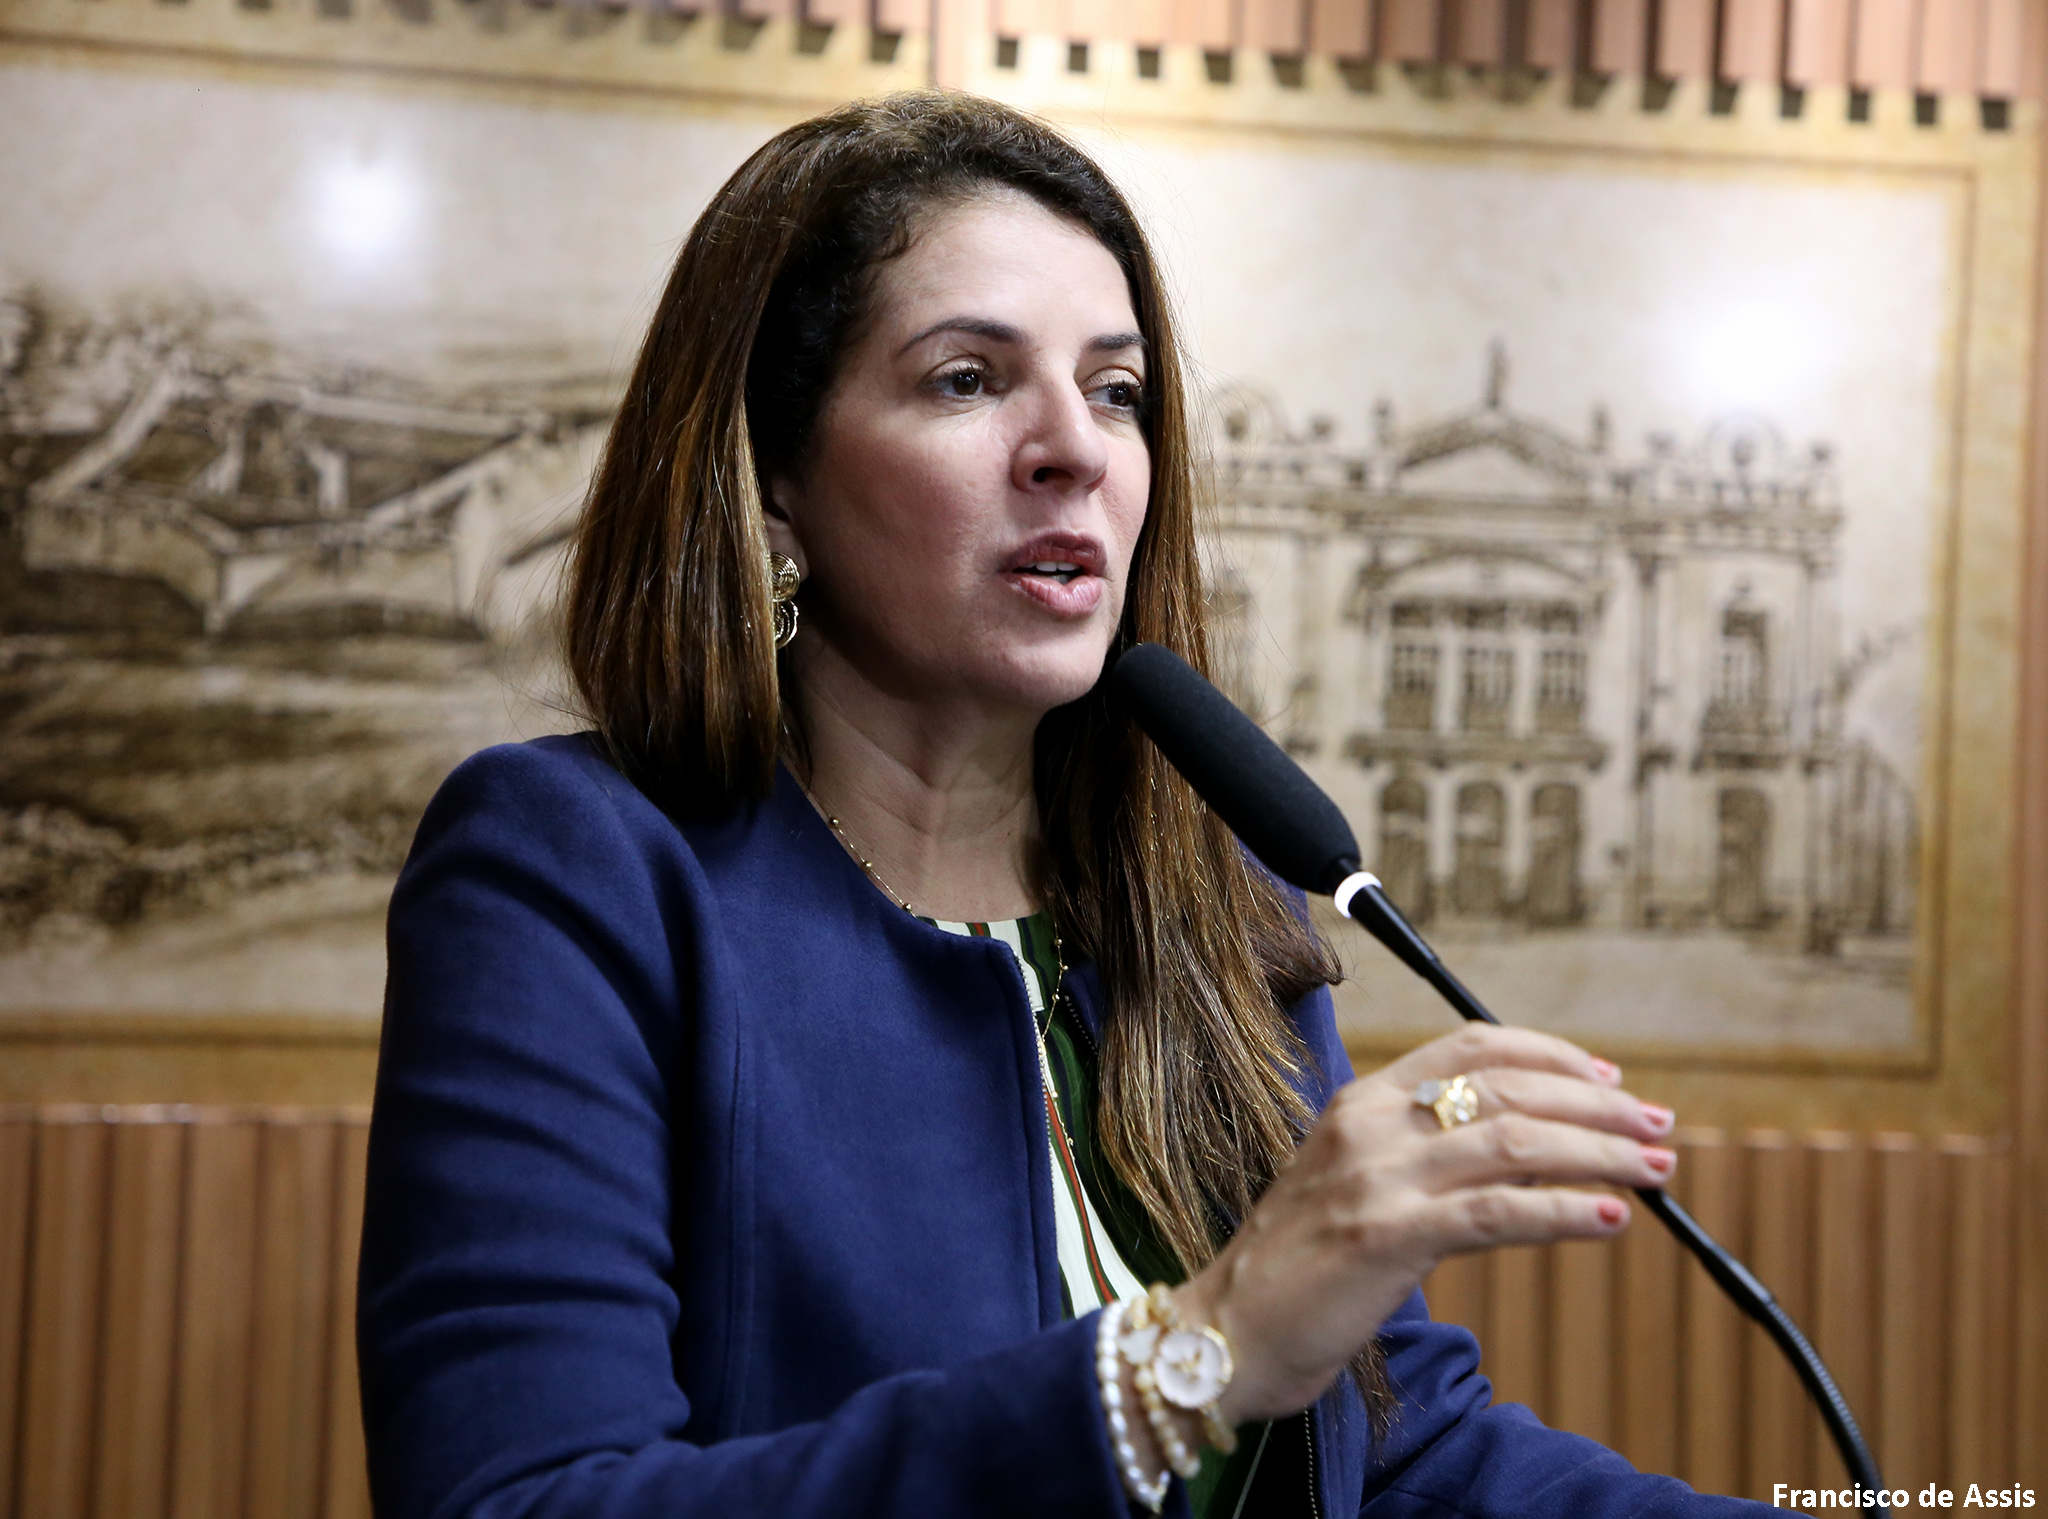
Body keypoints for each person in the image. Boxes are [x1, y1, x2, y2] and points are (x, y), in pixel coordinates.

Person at [357, 91, 1780, 1518]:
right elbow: (520, 1501)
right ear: (774, 481)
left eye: (1115, 391)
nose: (1077, 451)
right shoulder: (575, 872)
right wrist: (1194, 1359)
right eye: (967, 380)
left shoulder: (1211, 892)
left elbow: (1402, 1457)